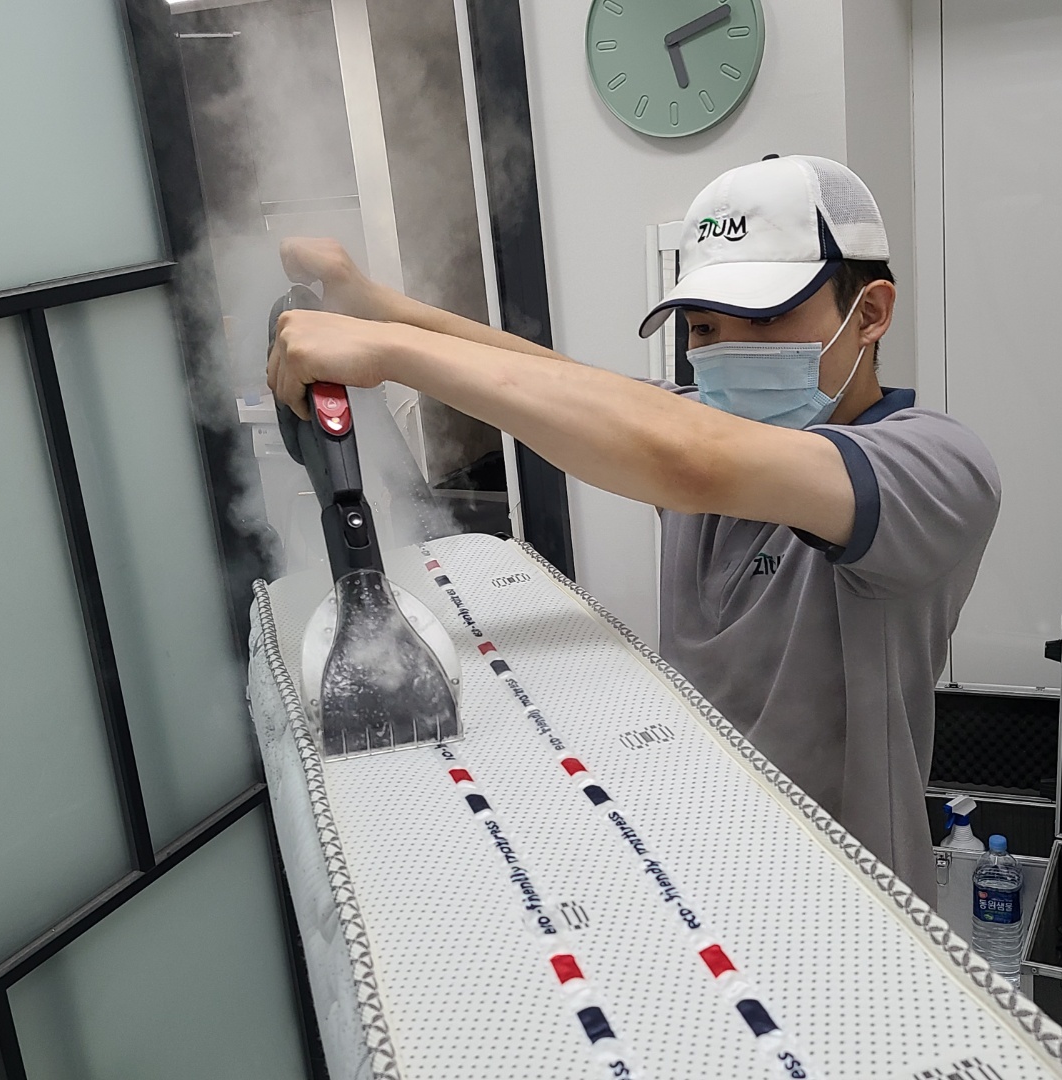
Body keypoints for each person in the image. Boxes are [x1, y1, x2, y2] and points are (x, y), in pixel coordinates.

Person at [268, 155, 999, 901]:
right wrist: (373, 306)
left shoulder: (934, 466)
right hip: (694, 852)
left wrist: (389, 353)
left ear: (870, 313)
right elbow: (558, 383)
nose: (723, 349)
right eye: (704, 327)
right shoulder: (699, 429)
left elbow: (686, 456)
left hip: (846, 895)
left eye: (762, 318)